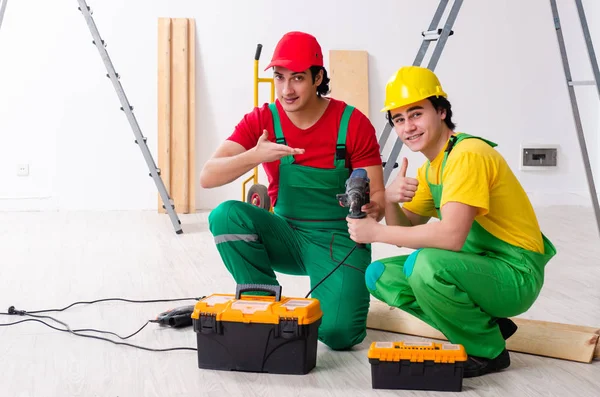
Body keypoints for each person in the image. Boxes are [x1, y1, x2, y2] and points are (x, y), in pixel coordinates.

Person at [346, 66, 557, 377]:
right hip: (478, 267)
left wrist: (374, 231)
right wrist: (390, 200)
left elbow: (451, 238)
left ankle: (488, 352)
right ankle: (484, 327)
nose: (408, 127)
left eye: (416, 114)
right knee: (380, 275)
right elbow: (405, 234)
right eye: (399, 120)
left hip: (515, 273)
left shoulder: (467, 155)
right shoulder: (432, 167)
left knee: (425, 265)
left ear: (441, 111)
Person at [200, 31, 385, 351]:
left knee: (340, 335)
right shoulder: (263, 120)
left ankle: (333, 305)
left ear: (318, 78)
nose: (287, 89)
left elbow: (379, 200)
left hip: (338, 239)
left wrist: (372, 208)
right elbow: (207, 176)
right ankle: (261, 306)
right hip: (285, 233)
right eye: (279, 77)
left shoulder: (352, 123)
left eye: (297, 78)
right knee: (226, 216)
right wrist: (254, 156)